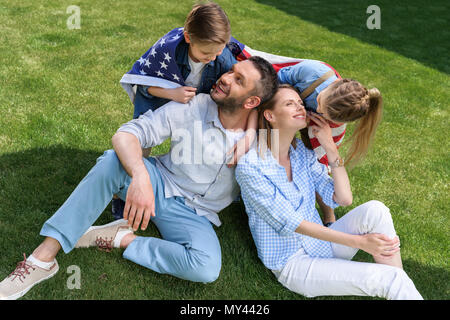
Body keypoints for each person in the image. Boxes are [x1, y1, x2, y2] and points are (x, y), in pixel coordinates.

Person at [0, 57, 278, 300]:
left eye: (238, 80)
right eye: (230, 71)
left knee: (206, 267)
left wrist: (254, 132)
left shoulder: (265, 136)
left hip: (199, 215)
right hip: (162, 183)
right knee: (112, 160)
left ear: (253, 101)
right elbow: (127, 135)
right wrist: (142, 177)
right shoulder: (194, 105)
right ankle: (43, 259)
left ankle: (122, 238)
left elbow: (303, 87)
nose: (225, 78)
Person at [235, 84, 422, 300]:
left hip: (323, 245)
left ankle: (400, 289)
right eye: (289, 103)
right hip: (294, 263)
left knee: (376, 210)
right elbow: (292, 223)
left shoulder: (301, 154)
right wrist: (360, 243)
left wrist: (330, 146)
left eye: (299, 102)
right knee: (390, 279)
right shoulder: (251, 167)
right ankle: (399, 286)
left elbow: (343, 198)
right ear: (269, 115)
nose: (300, 107)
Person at [112, 2, 257, 218]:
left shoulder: (222, 57)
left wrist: (251, 132)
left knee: (204, 138)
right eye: (207, 52)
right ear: (188, 38)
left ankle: (212, 186)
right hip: (161, 94)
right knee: (142, 142)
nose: (214, 57)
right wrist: (172, 94)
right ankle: (123, 193)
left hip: (198, 98)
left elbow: (246, 98)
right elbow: (145, 84)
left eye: (219, 50)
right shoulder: (166, 50)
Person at [277, 60, 383, 227]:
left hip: (322, 128)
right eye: (319, 103)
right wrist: (294, 107)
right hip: (289, 106)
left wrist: (328, 144)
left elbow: (332, 163)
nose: (318, 110)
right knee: (281, 147)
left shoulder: (336, 123)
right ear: (334, 86)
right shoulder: (312, 72)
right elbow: (277, 79)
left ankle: (329, 217)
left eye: (325, 113)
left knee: (320, 167)